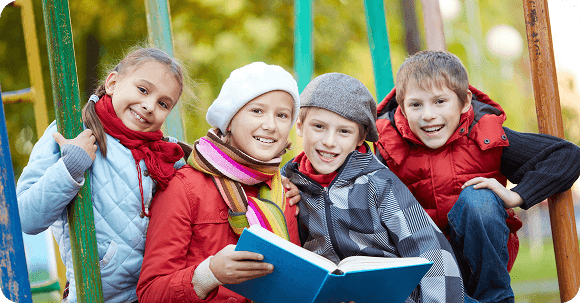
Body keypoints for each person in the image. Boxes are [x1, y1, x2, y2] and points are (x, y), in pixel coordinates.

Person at [374, 50, 580, 303]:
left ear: (464, 102)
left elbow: (567, 155)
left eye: (440, 101)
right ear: (403, 109)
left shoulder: (486, 137)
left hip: (482, 257)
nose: (427, 114)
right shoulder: (387, 149)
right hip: (426, 265)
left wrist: (517, 195)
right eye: (416, 105)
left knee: (479, 198)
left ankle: (497, 298)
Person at [17, 47, 189, 303]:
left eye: (163, 103)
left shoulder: (162, 157)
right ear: (112, 83)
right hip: (90, 295)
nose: (149, 105)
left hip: (147, 296)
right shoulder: (72, 131)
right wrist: (69, 169)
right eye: (143, 90)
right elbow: (26, 218)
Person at [283, 73, 465, 303]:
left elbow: (432, 252)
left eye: (344, 131)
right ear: (299, 125)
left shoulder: (379, 184)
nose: (329, 141)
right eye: (319, 126)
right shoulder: (289, 185)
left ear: (360, 138)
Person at [136, 62, 302, 302]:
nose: (270, 125)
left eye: (282, 115)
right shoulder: (183, 187)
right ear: (229, 121)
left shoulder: (283, 192)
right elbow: (150, 293)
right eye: (257, 111)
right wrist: (210, 273)